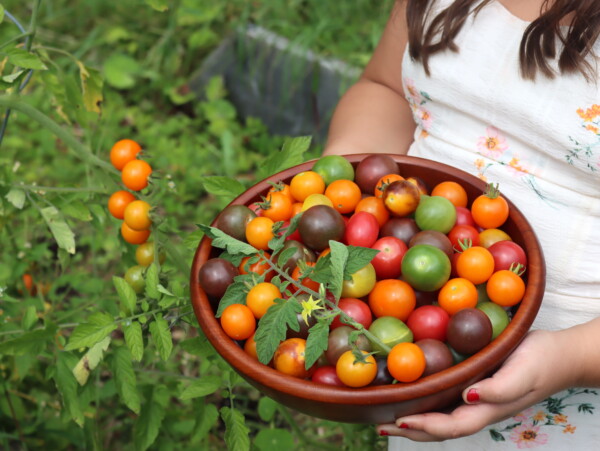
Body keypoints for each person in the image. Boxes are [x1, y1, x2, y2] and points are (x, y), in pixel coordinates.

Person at [323, 0, 600, 448]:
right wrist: (343, 201)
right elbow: (386, 88)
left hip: (574, 406)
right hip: (423, 360)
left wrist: (572, 359)